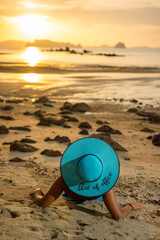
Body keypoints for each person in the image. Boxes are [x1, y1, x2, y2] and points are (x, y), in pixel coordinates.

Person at [30, 138, 143, 219]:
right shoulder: (105, 186)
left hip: (72, 193)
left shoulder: (64, 181)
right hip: (98, 195)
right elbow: (119, 215)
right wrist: (130, 206)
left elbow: (41, 204)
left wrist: (37, 193)